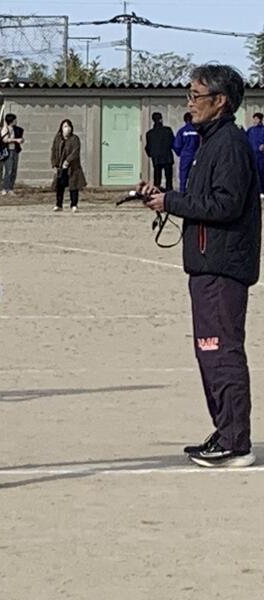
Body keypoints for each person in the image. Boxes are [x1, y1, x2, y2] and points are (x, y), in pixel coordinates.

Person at [139, 64, 261, 469]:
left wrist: (172, 202)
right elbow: (206, 199)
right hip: (207, 264)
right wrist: (165, 197)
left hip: (222, 266)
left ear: (220, 101)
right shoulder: (211, 141)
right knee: (209, 351)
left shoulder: (230, 144)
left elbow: (225, 204)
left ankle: (235, 441)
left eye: (196, 96)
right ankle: (225, 431)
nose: (189, 103)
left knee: (221, 351)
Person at [50, 119, 87, 213]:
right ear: (61, 128)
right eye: (65, 126)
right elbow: (54, 151)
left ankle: (74, 205)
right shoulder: (58, 139)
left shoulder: (75, 139)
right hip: (60, 167)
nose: (67, 129)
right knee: (59, 186)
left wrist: (68, 161)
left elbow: (75, 152)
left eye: (69, 126)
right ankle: (59, 205)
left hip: (72, 167)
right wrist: (54, 164)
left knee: (73, 186)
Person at [145, 112, 175, 191]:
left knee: (157, 179)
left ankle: (156, 193)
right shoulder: (168, 130)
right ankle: (169, 193)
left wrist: (151, 154)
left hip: (156, 158)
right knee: (169, 179)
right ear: (161, 119)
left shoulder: (149, 133)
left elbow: (148, 147)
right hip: (167, 157)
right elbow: (173, 142)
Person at [173, 112, 200, 193]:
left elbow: (177, 145)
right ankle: (194, 193)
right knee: (196, 175)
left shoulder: (182, 131)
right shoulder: (198, 131)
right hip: (196, 155)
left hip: (185, 156)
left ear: (184, 120)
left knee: (183, 176)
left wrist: (180, 153)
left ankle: (182, 193)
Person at [0, 113, 24, 195]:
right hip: (8, 151)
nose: (16, 121)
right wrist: (16, 140)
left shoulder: (15, 129)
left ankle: (10, 188)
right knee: (8, 170)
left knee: (14, 170)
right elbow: (5, 140)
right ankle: (5, 188)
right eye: (15, 120)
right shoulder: (5, 129)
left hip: (15, 150)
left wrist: (20, 140)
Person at [246, 112, 264, 199]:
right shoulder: (250, 130)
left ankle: (262, 191)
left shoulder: (263, 130)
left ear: (260, 120)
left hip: (261, 157)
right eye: (254, 119)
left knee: (261, 173)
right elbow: (244, 139)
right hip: (252, 156)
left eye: (256, 119)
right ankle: (255, 191)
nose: (254, 121)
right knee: (252, 173)